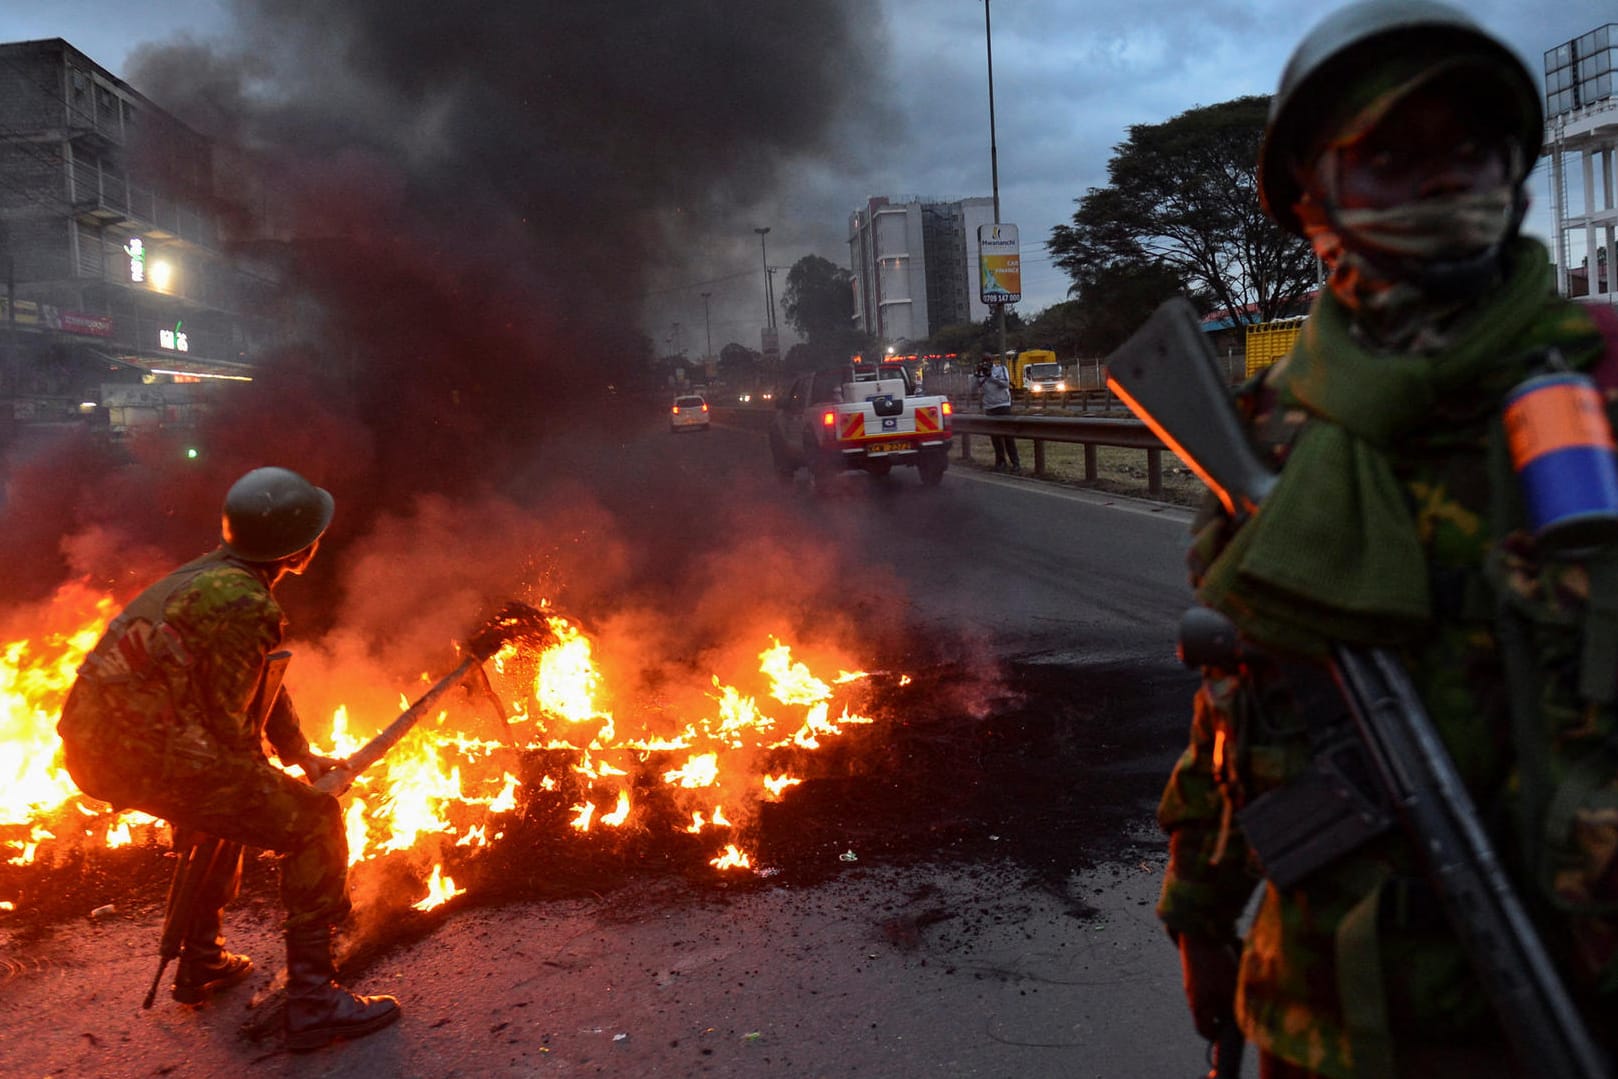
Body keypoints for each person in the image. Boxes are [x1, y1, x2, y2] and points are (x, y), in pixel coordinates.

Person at [1155, 2, 1618, 1077]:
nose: (1440, 184)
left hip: (1581, 995)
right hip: (1332, 1013)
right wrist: (1198, 909)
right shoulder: (1269, 432)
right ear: (1310, 200)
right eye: (1389, 158)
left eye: (1469, 149)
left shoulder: (1598, 381)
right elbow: (1231, 704)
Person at [57, 466, 401, 1051]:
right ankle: (315, 1003)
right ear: (300, 548)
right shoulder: (243, 603)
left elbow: (262, 680)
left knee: (228, 808)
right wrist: (277, 790)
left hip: (103, 743)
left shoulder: (213, 576)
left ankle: (202, 960)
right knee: (312, 823)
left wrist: (298, 754)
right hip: (136, 751)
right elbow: (226, 737)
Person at [974, 354, 1021, 473]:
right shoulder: (981, 373)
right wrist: (978, 375)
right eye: (984, 361)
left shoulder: (1001, 369)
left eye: (988, 361)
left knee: (1008, 436)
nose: (986, 363)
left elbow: (1005, 384)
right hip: (990, 407)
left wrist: (991, 377)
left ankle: (1015, 463)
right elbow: (973, 389)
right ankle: (1000, 462)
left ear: (992, 362)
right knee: (995, 438)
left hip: (1003, 405)